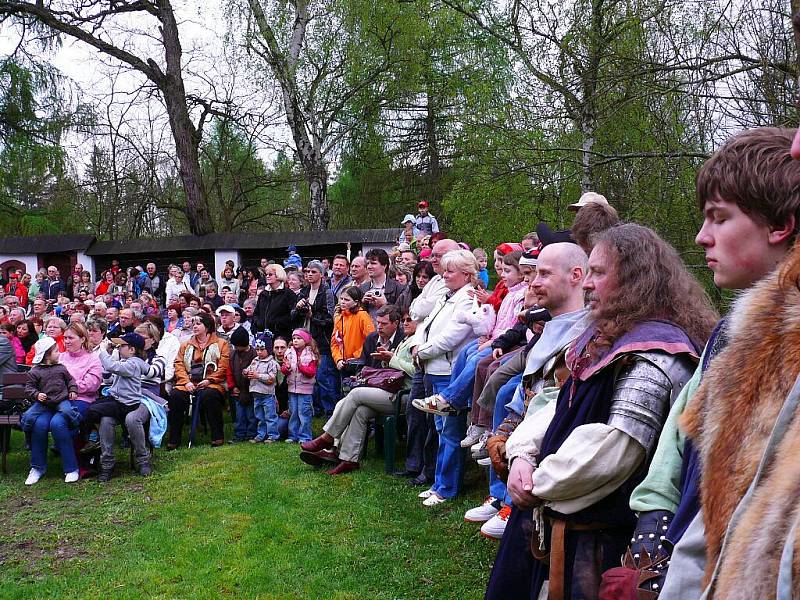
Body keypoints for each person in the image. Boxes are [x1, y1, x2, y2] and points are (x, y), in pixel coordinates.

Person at [485, 224, 717, 600]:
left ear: (634, 279)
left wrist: (535, 483)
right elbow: (554, 401)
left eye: (598, 272)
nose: (587, 284)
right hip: (553, 515)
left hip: (597, 540)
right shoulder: (603, 335)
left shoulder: (655, 354)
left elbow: (612, 452)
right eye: (587, 271)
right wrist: (522, 455)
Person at [619, 127, 800, 599]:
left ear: (779, 223)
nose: (701, 237)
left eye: (719, 218)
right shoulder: (733, 333)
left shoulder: (786, 338)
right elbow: (685, 443)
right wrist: (656, 518)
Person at [301, 310, 418, 474]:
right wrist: (386, 361)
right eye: (405, 319)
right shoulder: (403, 340)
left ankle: (328, 439)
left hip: (404, 396)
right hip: (387, 390)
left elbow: (416, 371)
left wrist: (391, 359)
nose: (406, 322)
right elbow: (390, 371)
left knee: (355, 395)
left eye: (410, 320)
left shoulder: (417, 342)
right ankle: (348, 459)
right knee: (360, 411)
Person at [411, 249, 480, 506]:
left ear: (466, 274)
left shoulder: (468, 299)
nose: (445, 274)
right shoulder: (445, 296)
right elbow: (424, 324)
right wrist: (417, 347)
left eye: (450, 271)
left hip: (449, 370)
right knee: (440, 429)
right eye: (445, 269)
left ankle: (447, 488)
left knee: (450, 430)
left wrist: (423, 350)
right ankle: (439, 482)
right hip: (432, 367)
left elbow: (454, 335)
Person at [83, 332, 151, 482]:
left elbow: (110, 365)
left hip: (127, 405)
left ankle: (142, 459)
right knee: (105, 419)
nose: (118, 348)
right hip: (117, 401)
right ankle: (107, 463)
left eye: (122, 346)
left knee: (94, 410)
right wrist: (108, 354)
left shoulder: (133, 364)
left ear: (132, 349)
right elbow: (109, 375)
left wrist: (102, 351)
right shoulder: (126, 363)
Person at [167, 311, 230, 449]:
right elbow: (179, 364)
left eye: (198, 324)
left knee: (210, 395)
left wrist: (209, 380)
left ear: (207, 326)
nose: (194, 326)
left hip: (212, 383)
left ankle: (217, 437)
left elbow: (223, 367)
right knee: (176, 396)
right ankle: (174, 439)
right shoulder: (185, 344)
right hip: (189, 383)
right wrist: (186, 382)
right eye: (193, 324)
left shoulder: (221, 343)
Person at [20, 337, 79, 461]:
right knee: (28, 416)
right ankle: (28, 438)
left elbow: (70, 380)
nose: (59, 353)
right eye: (56, 351)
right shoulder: (35, 371)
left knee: (68, 411)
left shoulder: (61, 368)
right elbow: (29, 388)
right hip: (44, 402)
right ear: (47, 355)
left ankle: (78, 427)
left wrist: (73, 390)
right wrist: (37, 394)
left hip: (61, 399)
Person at [291, 260, 336, 416]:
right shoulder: (303, 291)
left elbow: (330, 319)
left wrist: (313, 316)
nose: (309, 274)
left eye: (313, 272)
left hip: (321, 340)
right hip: (304, 339)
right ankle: (316, 409)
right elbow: (293, 316)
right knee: (309, 377)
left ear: (322, 275)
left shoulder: (327, 292)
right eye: (307, 271)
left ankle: (329, 410)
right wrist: (297, 309)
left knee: (323, 377)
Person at [281, 328, 318, 443]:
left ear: (306, 340)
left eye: (299, 338)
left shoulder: (311, 354)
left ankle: (305, 437)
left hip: (305, 390)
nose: (295, 341)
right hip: (292, 388)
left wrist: (301, 366)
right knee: (293, 413)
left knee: (304, 413)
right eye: (294, 338)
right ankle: (293, 436)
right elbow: (284, 370)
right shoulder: (289, 352)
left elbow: (311, 372)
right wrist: (286, 368)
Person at [331, 287, 375, 373]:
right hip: (343, 364)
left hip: (359, 364)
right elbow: (334, 342)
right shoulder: (339, 317)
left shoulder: (362, 316)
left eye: (347, 300)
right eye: (341, 299)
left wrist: (356, 356)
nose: (342, 302)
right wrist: (338, 359)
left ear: (356, 302)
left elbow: (371, 340)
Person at [247, 336, 280, 443]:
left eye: (262, 349)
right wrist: (246, 372)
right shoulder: (254, 361)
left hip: (268, 395)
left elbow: (271, 379)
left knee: (270, 416)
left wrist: (258, 376)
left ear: (269, 349)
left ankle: (273, 435)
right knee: (259, 416)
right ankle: (261, 435)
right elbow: (248, 369)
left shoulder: (272, 363)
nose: (259, 352)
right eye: (257, 349)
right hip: (256, 394)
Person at [360, 249, 405, 325]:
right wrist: (362, 303)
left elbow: (404, 314)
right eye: (367, 264)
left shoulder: (399, 288)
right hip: (367, 333)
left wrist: (386, 304)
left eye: (373, 263)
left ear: (384, 265)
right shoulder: (362, 288)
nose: (369, 267)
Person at [228, 327, 258, 443]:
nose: (236, 348)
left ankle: (251, 434)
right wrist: (232, 387)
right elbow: (229, 372)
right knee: (239, 415)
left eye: (237, 345)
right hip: (238, 390)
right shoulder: (232, 355)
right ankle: (239, 434)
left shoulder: (254, 354)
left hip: (251, 390)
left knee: (251, 415)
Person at [252, 263, 295, 340]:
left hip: (281, 336)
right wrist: (258, 325)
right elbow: (256, 313)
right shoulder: (263, 294)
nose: (267, 276)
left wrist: (276, 324)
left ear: (278, 275)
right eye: (266, 274)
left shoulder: (288, 294)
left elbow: (292, 315)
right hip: (262, 336)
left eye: (270, 274)